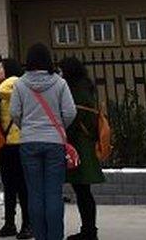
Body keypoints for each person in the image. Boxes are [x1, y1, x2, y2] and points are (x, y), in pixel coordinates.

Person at [10, 43, 76, 240]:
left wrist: (26, 127)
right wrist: (58, 127)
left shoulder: (20, 84)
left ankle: (40, 235)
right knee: (53, 193)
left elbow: (14, 113)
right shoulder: (59, 83)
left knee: (35, 193)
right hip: (54, 142)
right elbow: (70, 112)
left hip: (29, 142)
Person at [60, 56, 105, 240]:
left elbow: (72, 116)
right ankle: (89, 229)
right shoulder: (86, 87)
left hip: (79, 145)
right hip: (86, 144)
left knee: (82, 191)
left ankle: (89, 230)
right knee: (83, 191)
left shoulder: (74, 91)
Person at [0, 58, 32, 239]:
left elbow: (5, 89)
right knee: (13, 187)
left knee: (18, 187)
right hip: (10, 144)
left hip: (16, 144)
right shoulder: (6, 91)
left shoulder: (12, 87)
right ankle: (13, 223)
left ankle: (24, 224)